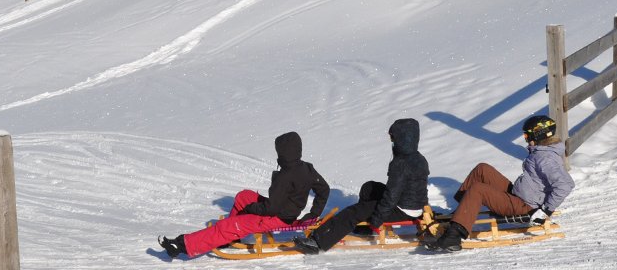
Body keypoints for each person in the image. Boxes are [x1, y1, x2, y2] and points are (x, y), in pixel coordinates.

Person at [158, 132, 329, 260]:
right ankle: (230, 237)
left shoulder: (285, 176)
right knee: (244, 196)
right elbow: (324, 189)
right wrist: (314, 213)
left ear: (282, 153)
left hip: (277, 217)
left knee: (228, 225)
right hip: (283, 210)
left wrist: (252, 208)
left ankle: (181, 245)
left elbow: (272, 208)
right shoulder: (307, 168)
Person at [424, 115, 575, 253]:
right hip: (517, 195)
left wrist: (545, 211)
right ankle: (461, 213)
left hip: (525, 206)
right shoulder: (542, 151)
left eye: (527, 135)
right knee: (482, 170)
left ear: (538, 134)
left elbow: (565, 184)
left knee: (478, 189)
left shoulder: (545, 158)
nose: (525, 138)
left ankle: (453, 236)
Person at [293, 118, 428, 254]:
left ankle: (318, 242)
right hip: (414, 206)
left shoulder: (400, 163)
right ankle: (365, 228)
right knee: (369, 188)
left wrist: (377, 219)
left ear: (401, 138)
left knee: (354, 212)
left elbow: (392, 196)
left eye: (393, 138)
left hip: (401, 209)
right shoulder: (419, 158)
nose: (392, 141)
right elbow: (417, 188)